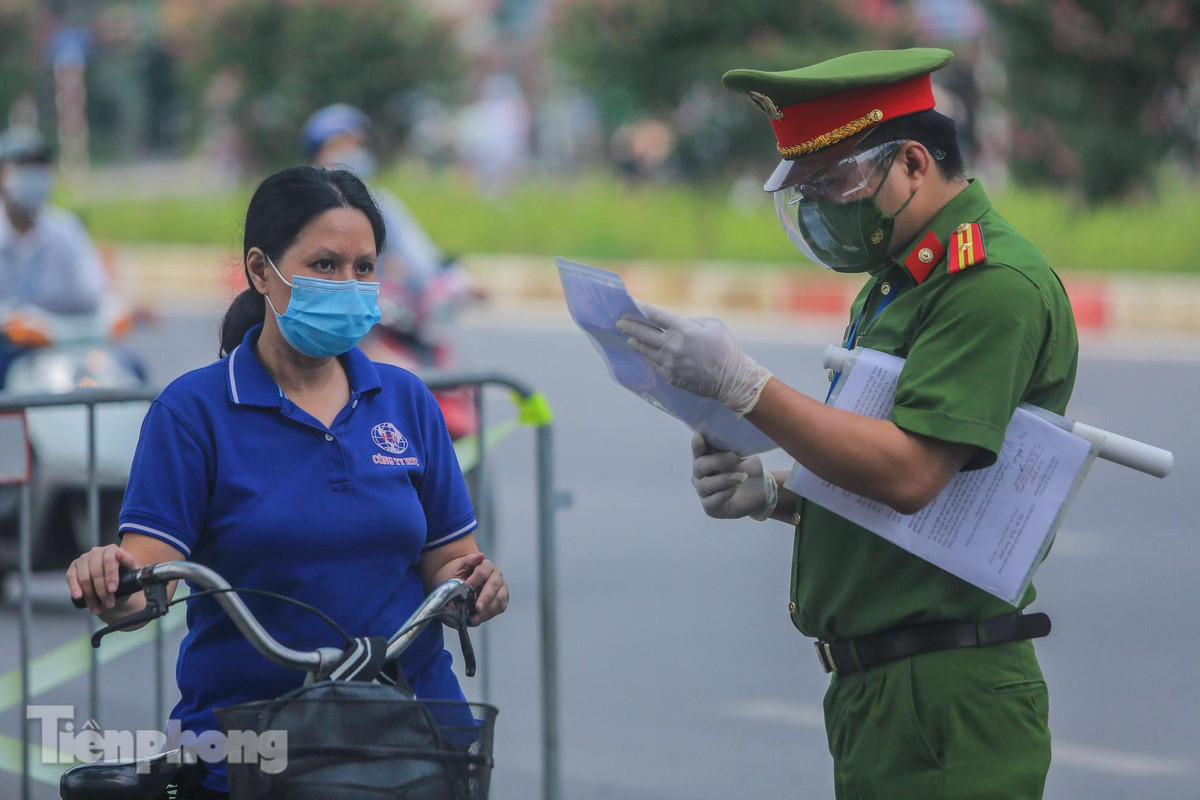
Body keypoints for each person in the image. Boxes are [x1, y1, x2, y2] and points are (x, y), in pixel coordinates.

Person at [616, 48, 1076, 799]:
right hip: (881, 690)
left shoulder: (988, 284)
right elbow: (898, 473)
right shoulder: (901, 279)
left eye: (835, 181)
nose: (827, 204)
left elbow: (910, 474)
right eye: (809, 189)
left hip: (947, 697)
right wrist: (778, 496)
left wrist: (745, 386)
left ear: (915, 163)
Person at [65, 165, 508, 798]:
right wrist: (111, 581)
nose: (349, 285)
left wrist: (477, 586)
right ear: (260, 270)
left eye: (364, 267)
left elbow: (452, 563)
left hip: (416, 738)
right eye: (325, 265)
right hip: (253, 745)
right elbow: (143, 578)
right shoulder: (194, 411)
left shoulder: (406, 399)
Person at [0, 126, 109, 385]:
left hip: (62, 350)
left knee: (129, 369)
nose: (33, 175)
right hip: (6, 351)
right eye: (23, 166)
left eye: (39, 166)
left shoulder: (66, 231)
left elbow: (93, 295)